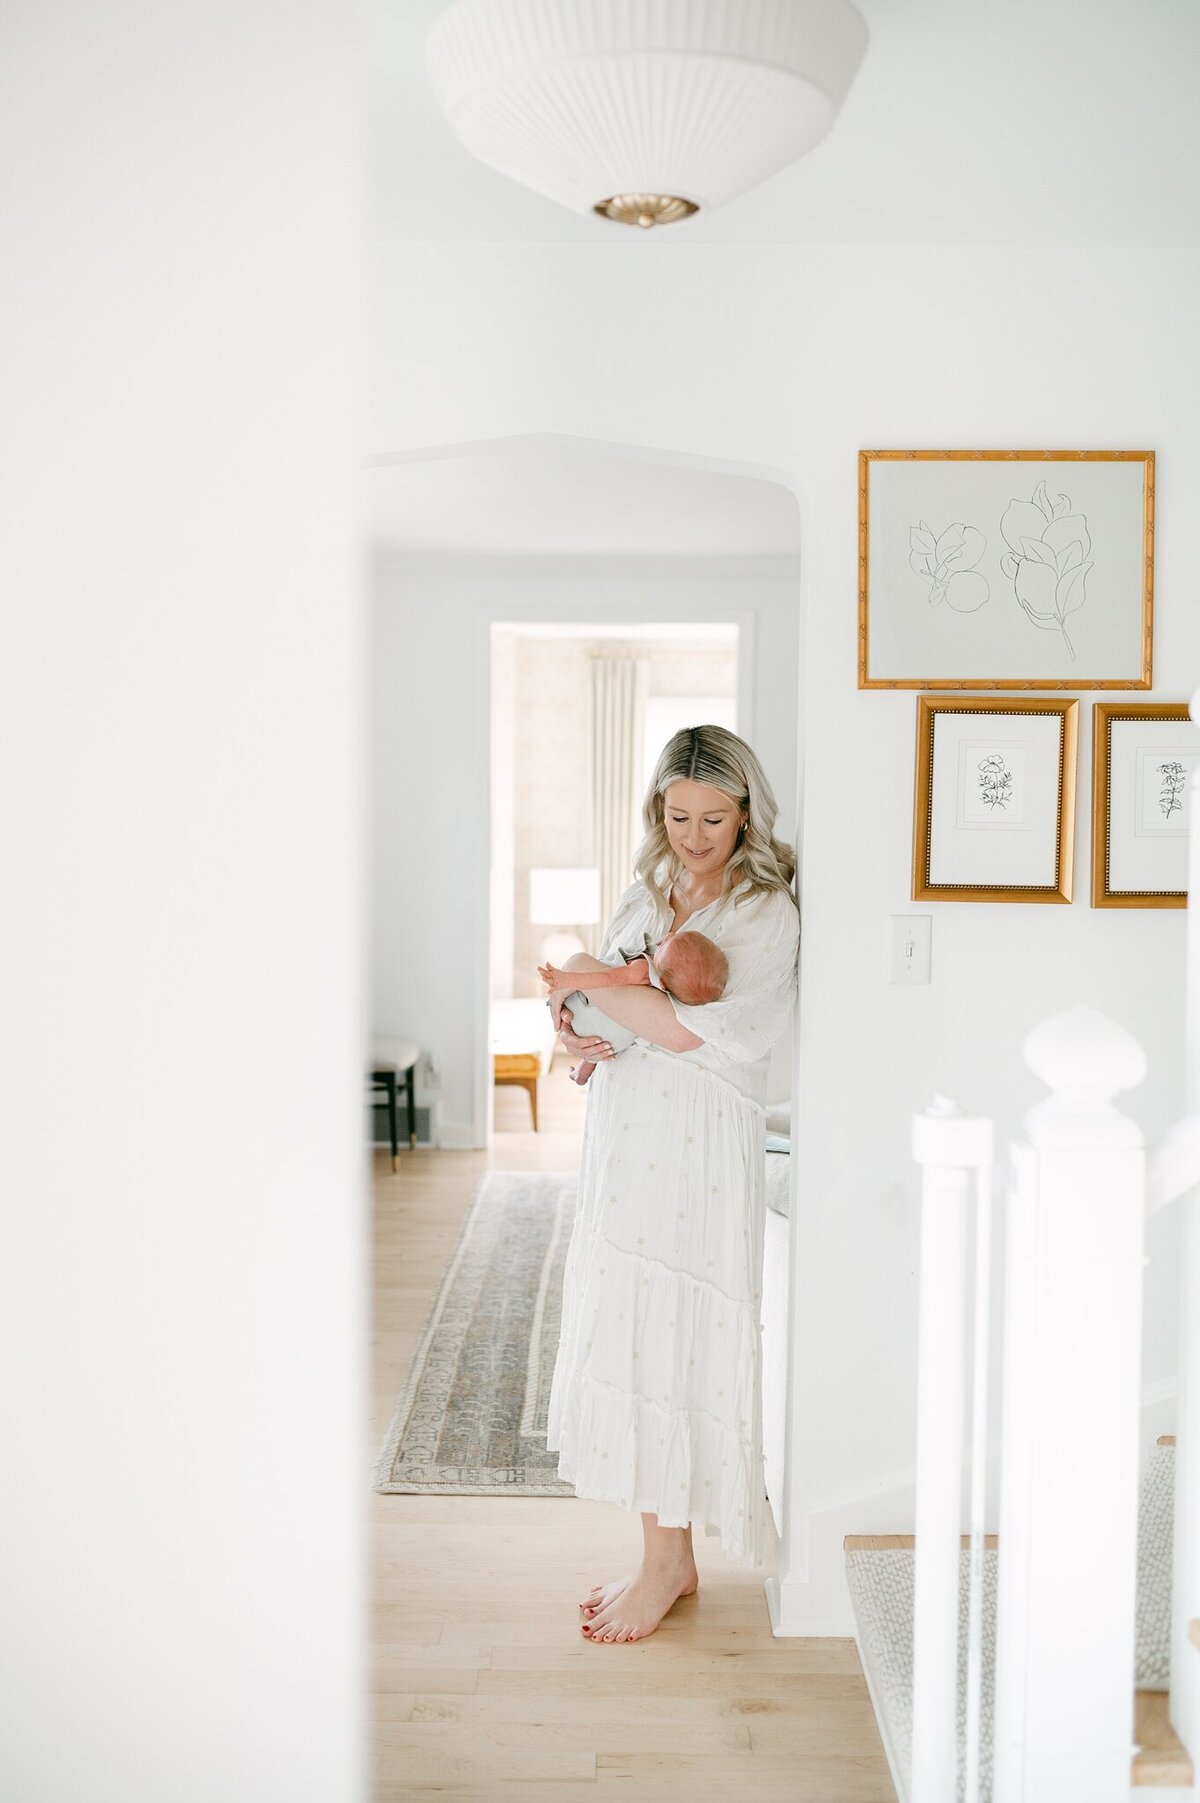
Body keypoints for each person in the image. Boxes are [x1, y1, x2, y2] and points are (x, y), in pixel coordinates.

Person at [545, 724, 800, 1645]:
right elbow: (597, 1004)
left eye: (715, 817)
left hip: (698, 1143)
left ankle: (667, 1564)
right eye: (679, 814)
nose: (695, 835)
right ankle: (667, 1553)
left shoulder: (764, 911)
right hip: (628, 1127)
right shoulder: (647, 889)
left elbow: (703, 1034)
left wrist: (594, 984)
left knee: (682, 1336)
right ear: (661, 808)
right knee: (633, 1332)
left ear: (746, 813)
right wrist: (576, 1019)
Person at [537, 930, 729, 1087]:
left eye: (663, 947)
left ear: (662, 983)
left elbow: (606, 978)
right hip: (615, 1040)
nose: (665, 938)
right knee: (608, 1037)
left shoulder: (642, 969)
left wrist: (569, 978)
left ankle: (582, 1062)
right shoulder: (670, 998)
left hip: (585, 1014)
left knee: (595, 1012)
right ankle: (583, 1070)